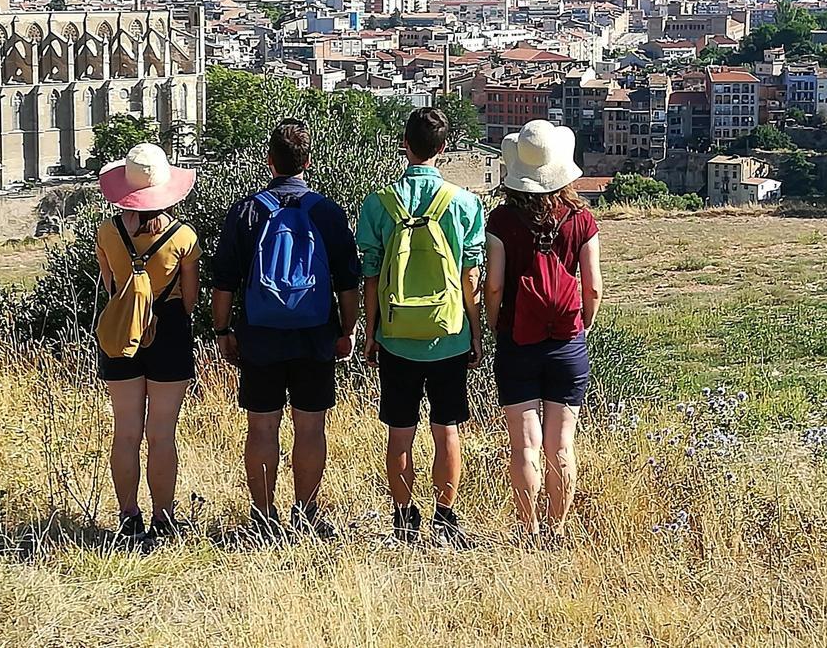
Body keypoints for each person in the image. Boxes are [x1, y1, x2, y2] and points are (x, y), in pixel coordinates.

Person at [212, 119, 361, 540]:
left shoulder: (247, 211)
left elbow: (224, 281)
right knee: (310, 428)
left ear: (269, 161)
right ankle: (307, 513)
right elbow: (347, 282)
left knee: (261, 428)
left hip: (260, 333)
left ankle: (262, 517)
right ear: (308, 162)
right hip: (315, 333)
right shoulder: (328, 212)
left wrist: (222, 330)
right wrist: (347, 330)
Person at [356, 107, 485, 547]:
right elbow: (470, 276)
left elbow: (371, 275)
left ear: (404, 145)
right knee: (447, 428)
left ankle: (403, 516)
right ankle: (445, 517)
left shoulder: (378, 203)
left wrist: (370, 332)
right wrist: (476, 329)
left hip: (395, 335)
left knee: (400, 431)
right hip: (448, 334)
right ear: (444, 150)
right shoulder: (465, 204)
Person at [484, 120, 602, 542]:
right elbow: (593, 286)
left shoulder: (501, 219)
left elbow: (494, 284)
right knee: (562, 446)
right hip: (567, 342)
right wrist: (581, 322)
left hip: (518, 340)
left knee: (525, 445)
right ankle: (558, 529)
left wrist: (495, 322)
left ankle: (529, 529)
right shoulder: (581, 220)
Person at [95, 142, 201, 542]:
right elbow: (190, 300)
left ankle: (128, 517)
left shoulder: (107, 231)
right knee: (162, 432)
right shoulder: (184, 237)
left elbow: (109, 286)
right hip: (169, 330)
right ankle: (164, 517)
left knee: (125, 431)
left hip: (122, 331)